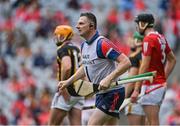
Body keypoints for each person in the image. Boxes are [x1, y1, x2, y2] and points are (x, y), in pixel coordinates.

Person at [58, 12, 131, 125]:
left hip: (113, 92)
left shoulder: (102, 43)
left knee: (92, 124)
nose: (77, 26)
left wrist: (108, 79)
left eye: (81, 23)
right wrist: (68, 81)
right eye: (78, 23)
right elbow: (85, 67)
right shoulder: (84, 46)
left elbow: (126, 62)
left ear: (91, 26)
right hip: (100, 93)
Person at [130, 13, 176, 125]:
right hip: (158, 85)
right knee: (149, 122)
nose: (136, 27)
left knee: (152, 122)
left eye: (138, 24)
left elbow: (144, 65)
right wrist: (163, 78)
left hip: (152, 85)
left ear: (143, 24)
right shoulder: (161, 37)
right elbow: (173, 60)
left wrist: (136, 89)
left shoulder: (148, 39)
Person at [48, 25, 84, 125]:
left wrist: (63, 87)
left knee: (52, 124)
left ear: (63, 36)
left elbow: (67, 66)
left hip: (67, 91)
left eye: (58, 35)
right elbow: (83, 70)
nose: (56, 37)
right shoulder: (76, 49)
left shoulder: (63, 49)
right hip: (78, 91)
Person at [125, 32, 146, 125]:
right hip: (146, 94)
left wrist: (123, 97)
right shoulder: (147, 55)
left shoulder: (134, 56)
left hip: (134, 97)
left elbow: (131, 80)